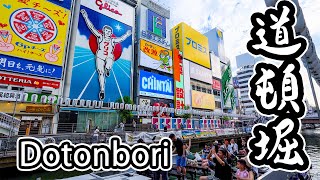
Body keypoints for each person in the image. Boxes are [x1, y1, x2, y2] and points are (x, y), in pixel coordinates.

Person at [80, 9, 132, 100]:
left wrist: (127, 34)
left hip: (108, 56)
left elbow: (121, 39)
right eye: (106, 31)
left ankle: (108, 68)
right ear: (103, 31)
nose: (107, 32)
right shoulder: (100, 37)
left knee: (110, 58)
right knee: (100, 72)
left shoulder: (112, 40)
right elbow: (91, 28)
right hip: (99, 56)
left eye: (109, 31)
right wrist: (85, 17)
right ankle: (102, 90)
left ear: (111, 33)